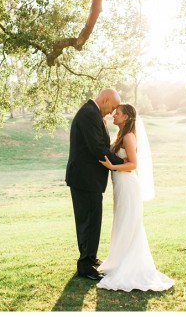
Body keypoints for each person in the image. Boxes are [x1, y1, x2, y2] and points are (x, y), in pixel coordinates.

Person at [96, 104, 174, 292]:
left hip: (128, 185)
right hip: (120, 186)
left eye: (118, 113)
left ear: (127, 117)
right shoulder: (121, 135)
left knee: (129, 223)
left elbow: (132, 164)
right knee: (122, 222)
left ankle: (128, 267)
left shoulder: (129, 137)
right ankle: (118, 261)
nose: (114, 115)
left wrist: (112, 167)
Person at [66, 89, 125, 281]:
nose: (112, 111)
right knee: (90, 222)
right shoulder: (89, 114)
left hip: (86, 179)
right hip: (86, 179)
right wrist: (123, 164)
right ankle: (86, 266)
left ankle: (89, 258)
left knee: (88, 221)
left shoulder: (92, 113)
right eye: (113, 107)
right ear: (105, 99)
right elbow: (97, 149)